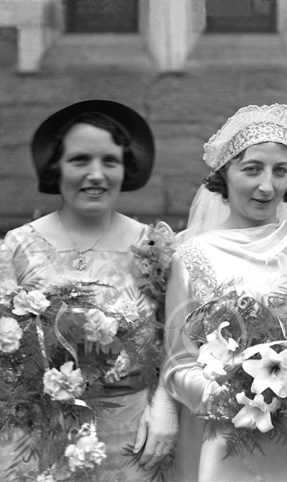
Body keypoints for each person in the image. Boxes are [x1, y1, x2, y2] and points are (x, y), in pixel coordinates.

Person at [161, 104, 287, 481]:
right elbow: (177, 362)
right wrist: (232, 395)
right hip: (233, 440)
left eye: (280, 171)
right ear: (224, 176)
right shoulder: (194, 255)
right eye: (252, 169)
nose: (268, 186)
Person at [2, 100, 179, 479]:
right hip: (38, 434)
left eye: (109, 162)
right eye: (80, 160)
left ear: (125, 169)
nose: (96, 175)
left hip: (133, 436)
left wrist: (164, 404)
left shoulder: (154, 246)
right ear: (57, 167)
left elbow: (178, 342)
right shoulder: (17, 247)